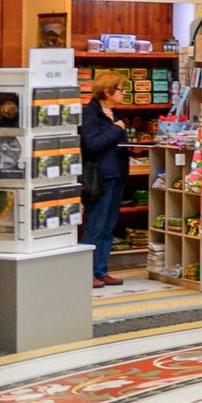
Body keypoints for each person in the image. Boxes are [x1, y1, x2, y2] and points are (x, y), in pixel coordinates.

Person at [79, 70, 130, 287]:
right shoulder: (89, 114)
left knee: (109, 226)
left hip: (117, 173)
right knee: (95, 226)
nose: (123, 93)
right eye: (120, 89)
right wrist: (117, 129)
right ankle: (85, 272)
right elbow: (93, 144)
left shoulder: (114, 114)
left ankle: (101, 270)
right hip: (98, 177)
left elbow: (117, 140)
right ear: (108, 91)